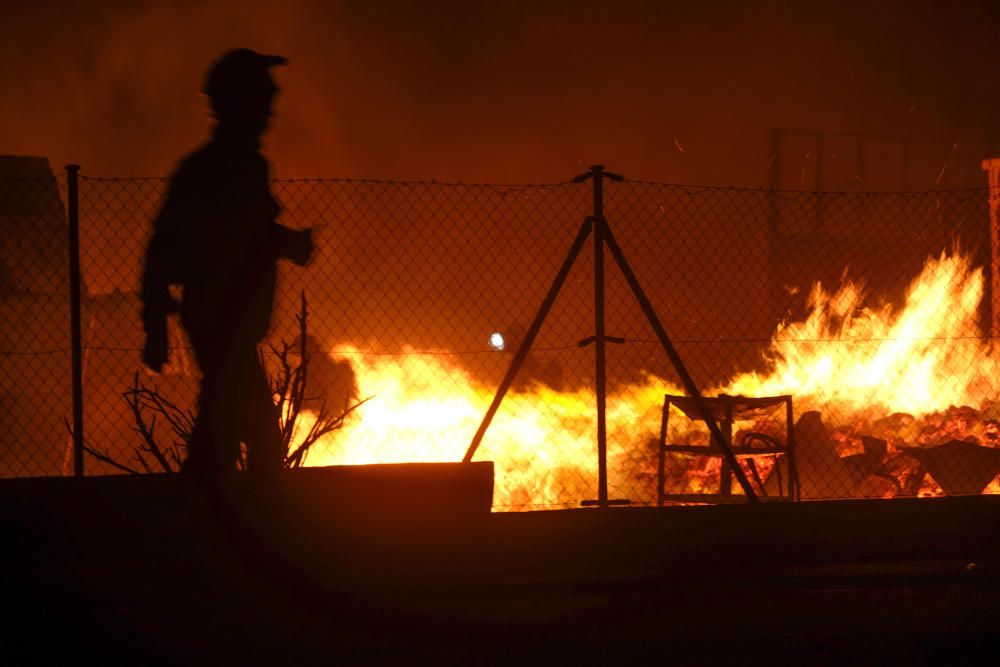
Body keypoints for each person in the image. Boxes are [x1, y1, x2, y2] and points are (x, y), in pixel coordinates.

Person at [140, 48, 313, 484]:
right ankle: (234, 522)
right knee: (250, 432)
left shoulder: (230, 166)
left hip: (227, 319)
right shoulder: (227, 168)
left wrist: (286, 243)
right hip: (223, 317)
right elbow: (186, 245)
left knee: (223, 425)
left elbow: (247, 234)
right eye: (263, 93)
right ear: (241, 102)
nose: (273, 103)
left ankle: (208, 515)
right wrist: (156, 325)